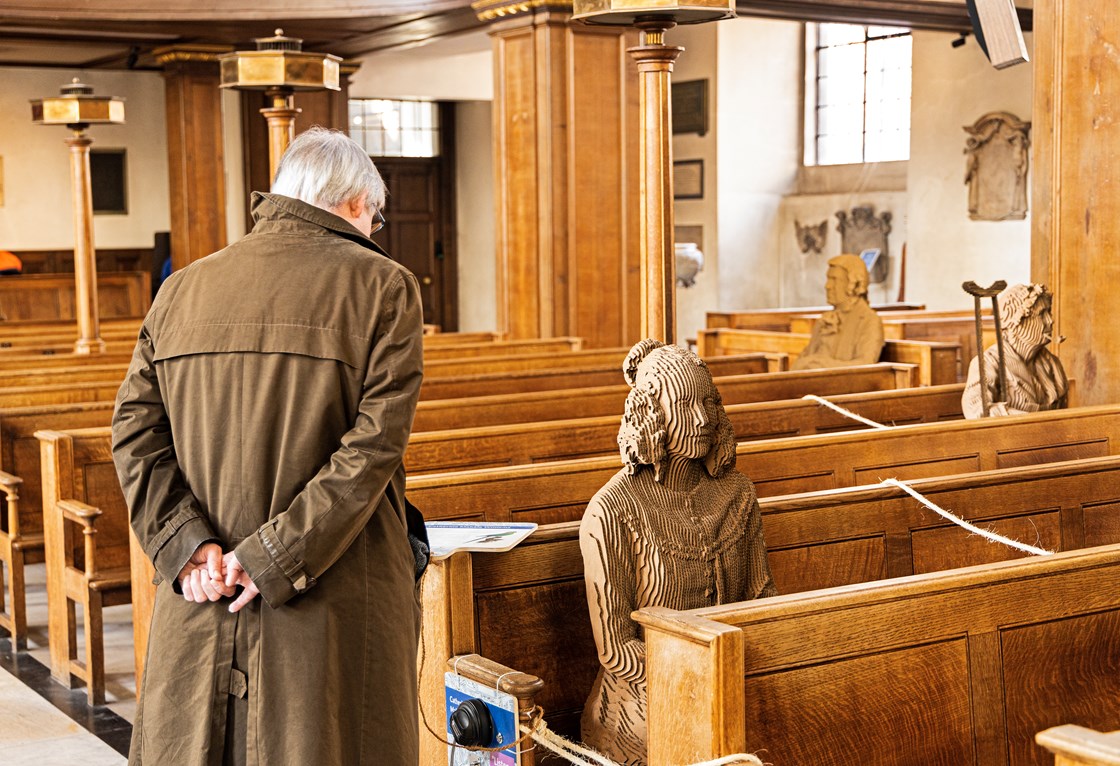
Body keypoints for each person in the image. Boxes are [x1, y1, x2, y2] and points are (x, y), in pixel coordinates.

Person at [112, 127, 424, 765]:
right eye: (377, 216)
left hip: (201, 591)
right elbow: (372, 450)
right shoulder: (384, 287)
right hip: (329, 594)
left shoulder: (182, 289)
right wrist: (274, 556)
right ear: (357, 204)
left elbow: (134, 430)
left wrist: (188, 546)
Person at [579, 340, 777, 766]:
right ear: (652, 413)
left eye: (710, 403)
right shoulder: (613, 510)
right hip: (643, 704)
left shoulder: (737, 493)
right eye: (687, 405)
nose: (703, 418)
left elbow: (764, 602)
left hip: (733, 684)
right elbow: (616, 649)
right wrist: (704, 679)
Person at [962, 283, 1068, 418]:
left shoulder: (1051, 363)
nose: (1050, 321)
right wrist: (1022, 419)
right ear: (1017, 322)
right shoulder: (988, 363)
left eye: (1049, 312)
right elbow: (976, 411)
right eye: (1042, 314)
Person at [791, 253, 885, 370]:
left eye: (834, 279)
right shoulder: (827, 319)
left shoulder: (868, 320)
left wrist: (821, 364)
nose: (827, 286)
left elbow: (866, 364)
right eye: (828, 279)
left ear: (852, 283)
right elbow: (805, 358)